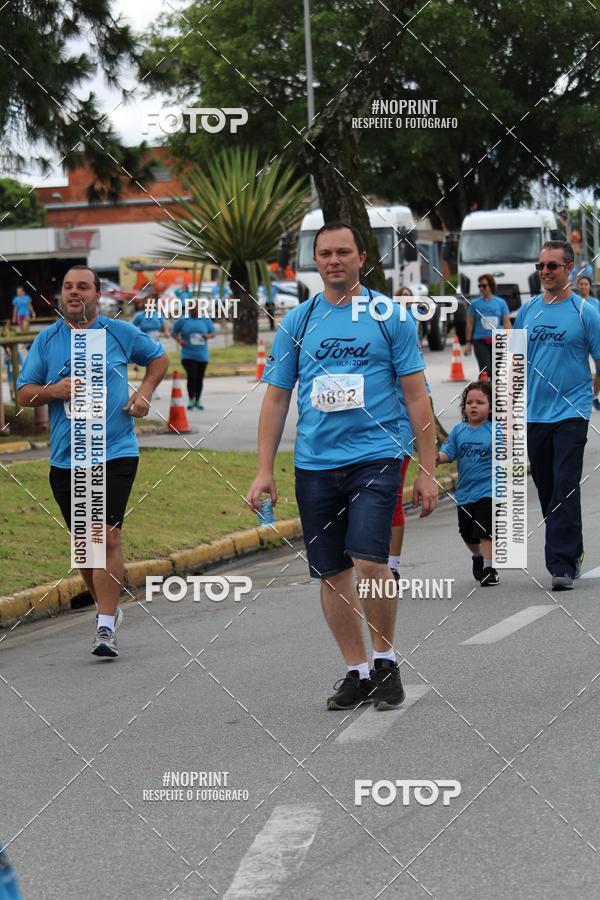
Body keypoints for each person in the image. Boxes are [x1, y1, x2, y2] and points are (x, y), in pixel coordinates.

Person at [246, 222, 438, 711]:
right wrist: (264, 469)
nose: (334, 260)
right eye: (326, 253)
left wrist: (427, 469)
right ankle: (357, 671)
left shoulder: (389, 317)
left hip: (376, 456)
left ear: (361, 257)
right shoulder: (298, 322)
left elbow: (417, 396)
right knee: (332, 573)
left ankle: (385, 661)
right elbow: (276, 399)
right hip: (315, 464)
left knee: (371, 562)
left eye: (343, 252)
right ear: (316, 261)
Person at [16, 266, 168, 656]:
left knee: (106, 535)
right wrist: (54, 390)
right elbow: (23, 393)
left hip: (115, 451)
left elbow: (158, 359)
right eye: (68, 287)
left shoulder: (119, 333)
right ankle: (108, 609)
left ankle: (104, 626)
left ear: (97, 295)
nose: (74, 292)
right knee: (84, 546)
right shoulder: (48, 340)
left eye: (83, 287)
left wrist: (145, 392)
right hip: (67, 458)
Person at [514, 241, 600, 590]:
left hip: (572, 412)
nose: (545, 272)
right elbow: (513, 361)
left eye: (552, 266)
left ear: (569, 268)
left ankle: (561, 564)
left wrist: (593, 394)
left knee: (565, 483)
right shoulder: (527, 311)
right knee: (548, 487)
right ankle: (573, 547)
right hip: (535, 414)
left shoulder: (585, 313)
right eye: (541, 266)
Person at [437, 380, 498, 586]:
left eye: (480, 402)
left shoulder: (495, 431)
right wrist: (437, 457)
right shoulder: (458, 431)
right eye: (469, 402)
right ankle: (478, 555)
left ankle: (489, 568)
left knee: (485, 527)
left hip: (489, 489)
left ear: (491, 407)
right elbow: (448, 452)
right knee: (467, 533)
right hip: (465, 492)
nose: (473, 406)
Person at [171, 298, 216, 410]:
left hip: (202, 355)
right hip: (187, 354)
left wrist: (207, 336)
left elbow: (213, 332)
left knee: (199, 378)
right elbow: (173, 332)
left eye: (198, 307)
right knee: (192, 376)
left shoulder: (205, 320)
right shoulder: (183, 320)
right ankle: (191, 399)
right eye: (193, 307)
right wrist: (180, 341)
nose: (196, 309)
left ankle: (198, 400)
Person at [464, 274, 511, 377]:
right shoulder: (475, 304)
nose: (481, 288)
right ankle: (484, 386)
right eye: (479, 286)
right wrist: (468, 343)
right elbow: (470, 323)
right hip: (480, 341)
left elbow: (506, 322)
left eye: (484, 286)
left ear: (491, 286)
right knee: (486, 370)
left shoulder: (501, 303)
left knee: (496, 373)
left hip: (497, 341)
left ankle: (493, 387)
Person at [576, 275, 600, 410]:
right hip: (578, 341)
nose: (583, 286)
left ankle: (594, 396)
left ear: (590, 287)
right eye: (581, 284)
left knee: (599, 370)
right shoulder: (573, 302)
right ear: (577, 286)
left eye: (586, 284)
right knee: (579, 371)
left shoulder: (596, 303)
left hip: (594, 341)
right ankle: (580, 398)